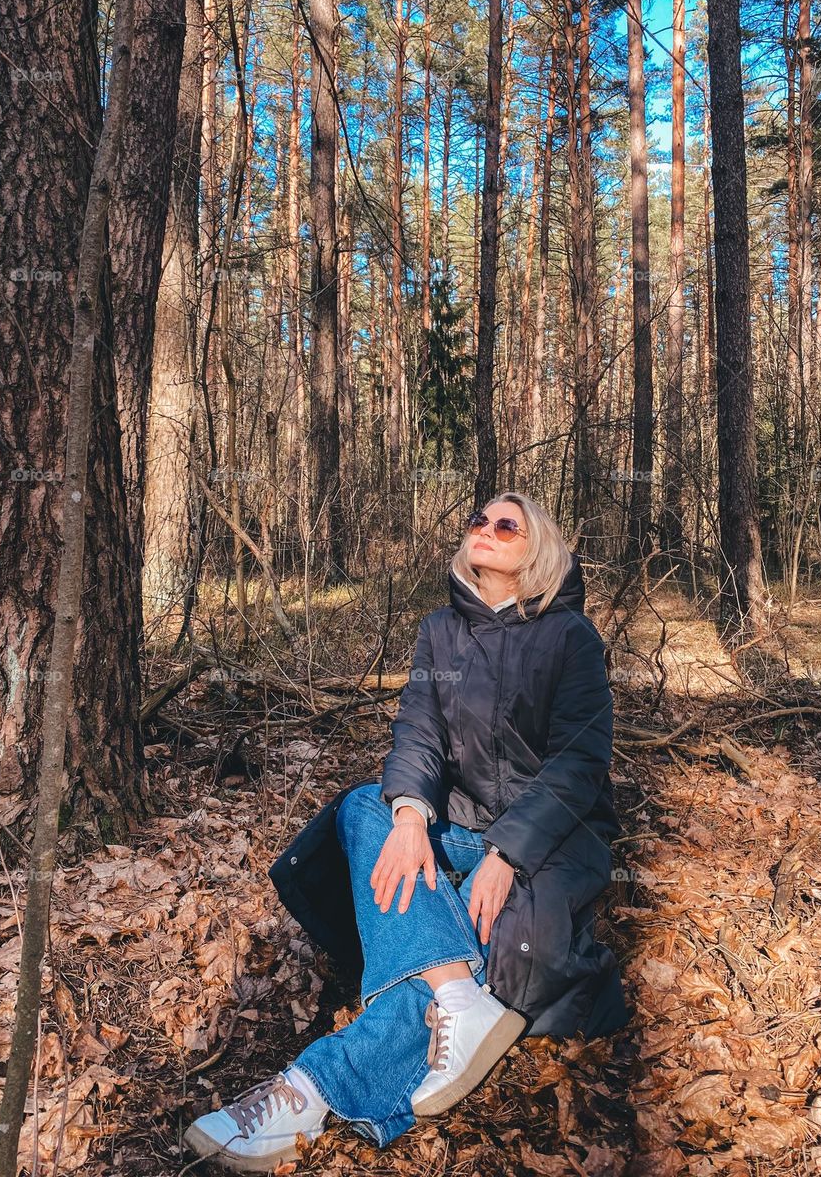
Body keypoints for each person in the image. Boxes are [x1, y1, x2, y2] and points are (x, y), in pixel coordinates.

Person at [183, 491, 628, 1173]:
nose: (486, 529)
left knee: (504, 951)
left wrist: (507, 851)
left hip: (551, 845)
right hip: (459, 828)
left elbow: (579, 763)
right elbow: (417, 734)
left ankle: (305, 1091)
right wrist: (413, 816)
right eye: (478, 520)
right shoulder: (439, 633)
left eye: (506, 524)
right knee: (366, 809)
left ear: (536, 549)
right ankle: (455, 994)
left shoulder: (571, 639)